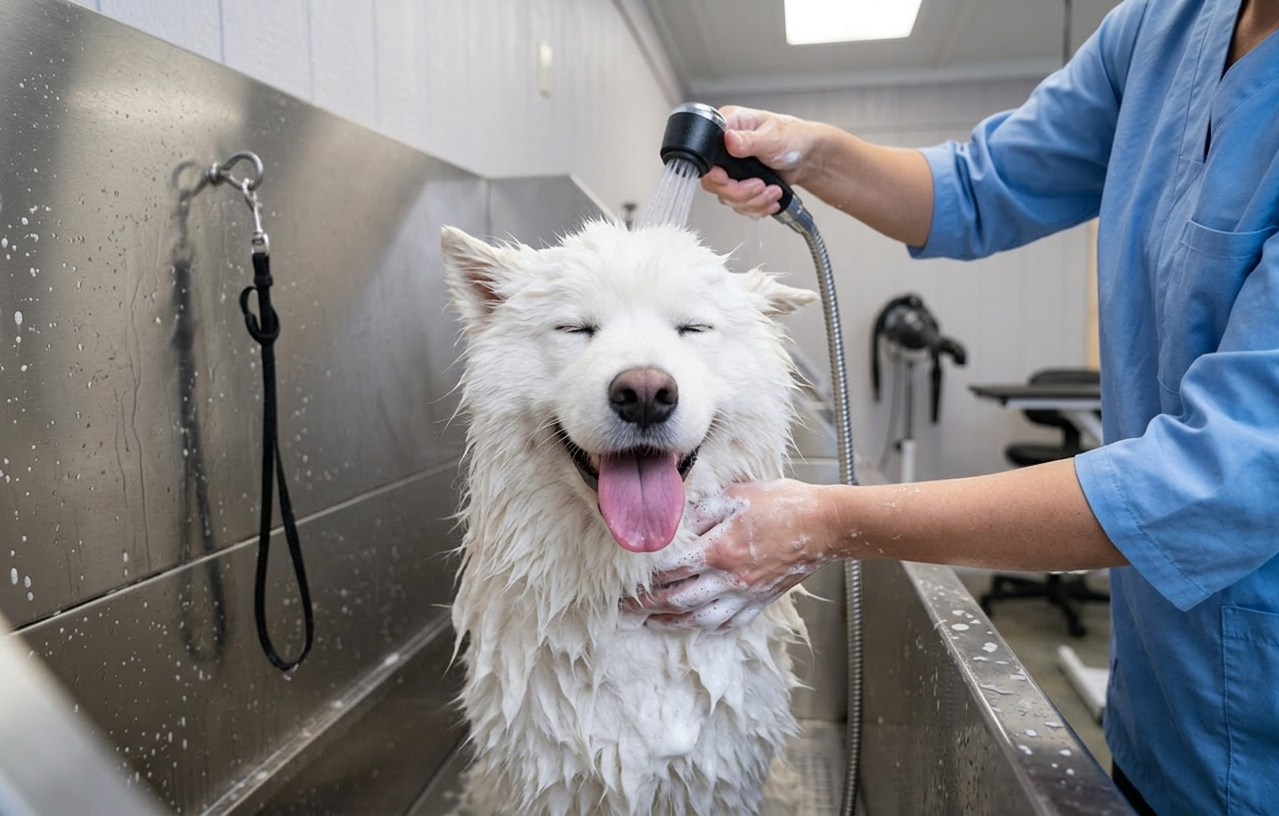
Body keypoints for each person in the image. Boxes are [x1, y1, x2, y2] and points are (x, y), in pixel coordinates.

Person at [625, 0, 1279, 813]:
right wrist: (813, 152)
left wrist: (830, 520)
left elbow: (1221, 479)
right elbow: (977, 185)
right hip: (1167, 695)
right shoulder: (1165, 26)